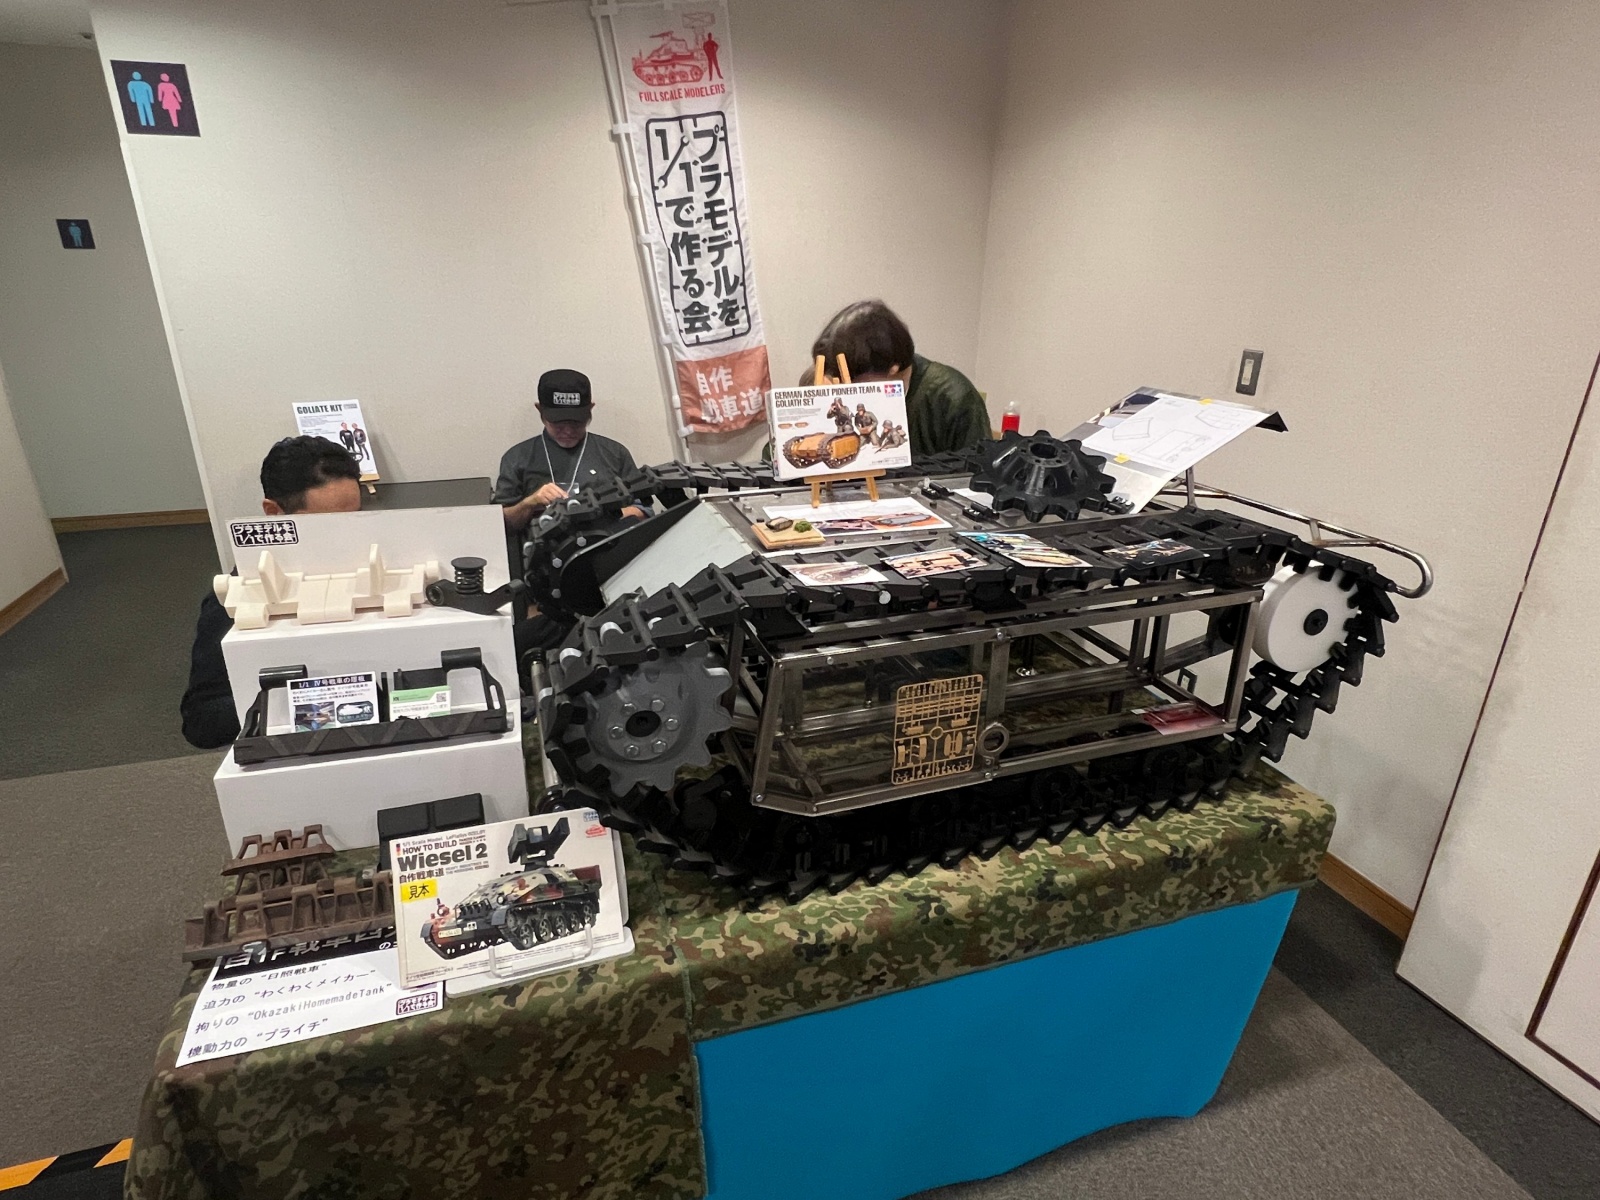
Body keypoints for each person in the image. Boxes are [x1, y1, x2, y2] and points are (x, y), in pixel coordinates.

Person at [179, 437, 362, 749]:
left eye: (355, 518)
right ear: (274, 513)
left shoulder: (374, 558)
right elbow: (202, 722)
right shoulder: (234, 598)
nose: (347, 538)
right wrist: (301, 701)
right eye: (328, 525)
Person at [808, 299, 991, 456]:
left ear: (892, 368)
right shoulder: (829, 383)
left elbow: (979, 474)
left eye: (852, 382)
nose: (844, 389)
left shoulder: (953, 399)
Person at [495, 369, 643, 533]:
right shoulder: (516, 458)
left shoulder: (615, 453)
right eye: (558, 423)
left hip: (609, 543)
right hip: (543, 546)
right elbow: (502, 524)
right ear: (540, 410)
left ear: (591, 409)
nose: (567, 431)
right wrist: (530, 502)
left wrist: (599, 516)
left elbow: (643, 510)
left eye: (576, 423)